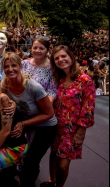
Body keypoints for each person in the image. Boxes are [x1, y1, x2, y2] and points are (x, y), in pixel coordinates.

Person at [40, 45, 95, 187]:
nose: (60, 60)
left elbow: (88, 108)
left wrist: (80, 132)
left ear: (71, 57)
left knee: (63, 164)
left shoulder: (85, 80)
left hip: (72, 130)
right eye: (56, 58)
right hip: (54, 125)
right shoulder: (57, 79)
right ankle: (51, 180)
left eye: (63, 56)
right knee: (53, 154)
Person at [0, 52, 57, 187]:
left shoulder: (33, 86)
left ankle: (28, 183)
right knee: (10, 145)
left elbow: (49, 114)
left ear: (20, 66)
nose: (10, 69)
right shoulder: (6, 84)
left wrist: (23, 124)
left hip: (46, 125)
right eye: (6, 66)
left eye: (14, 65)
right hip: (27, 121)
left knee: (31, 160)